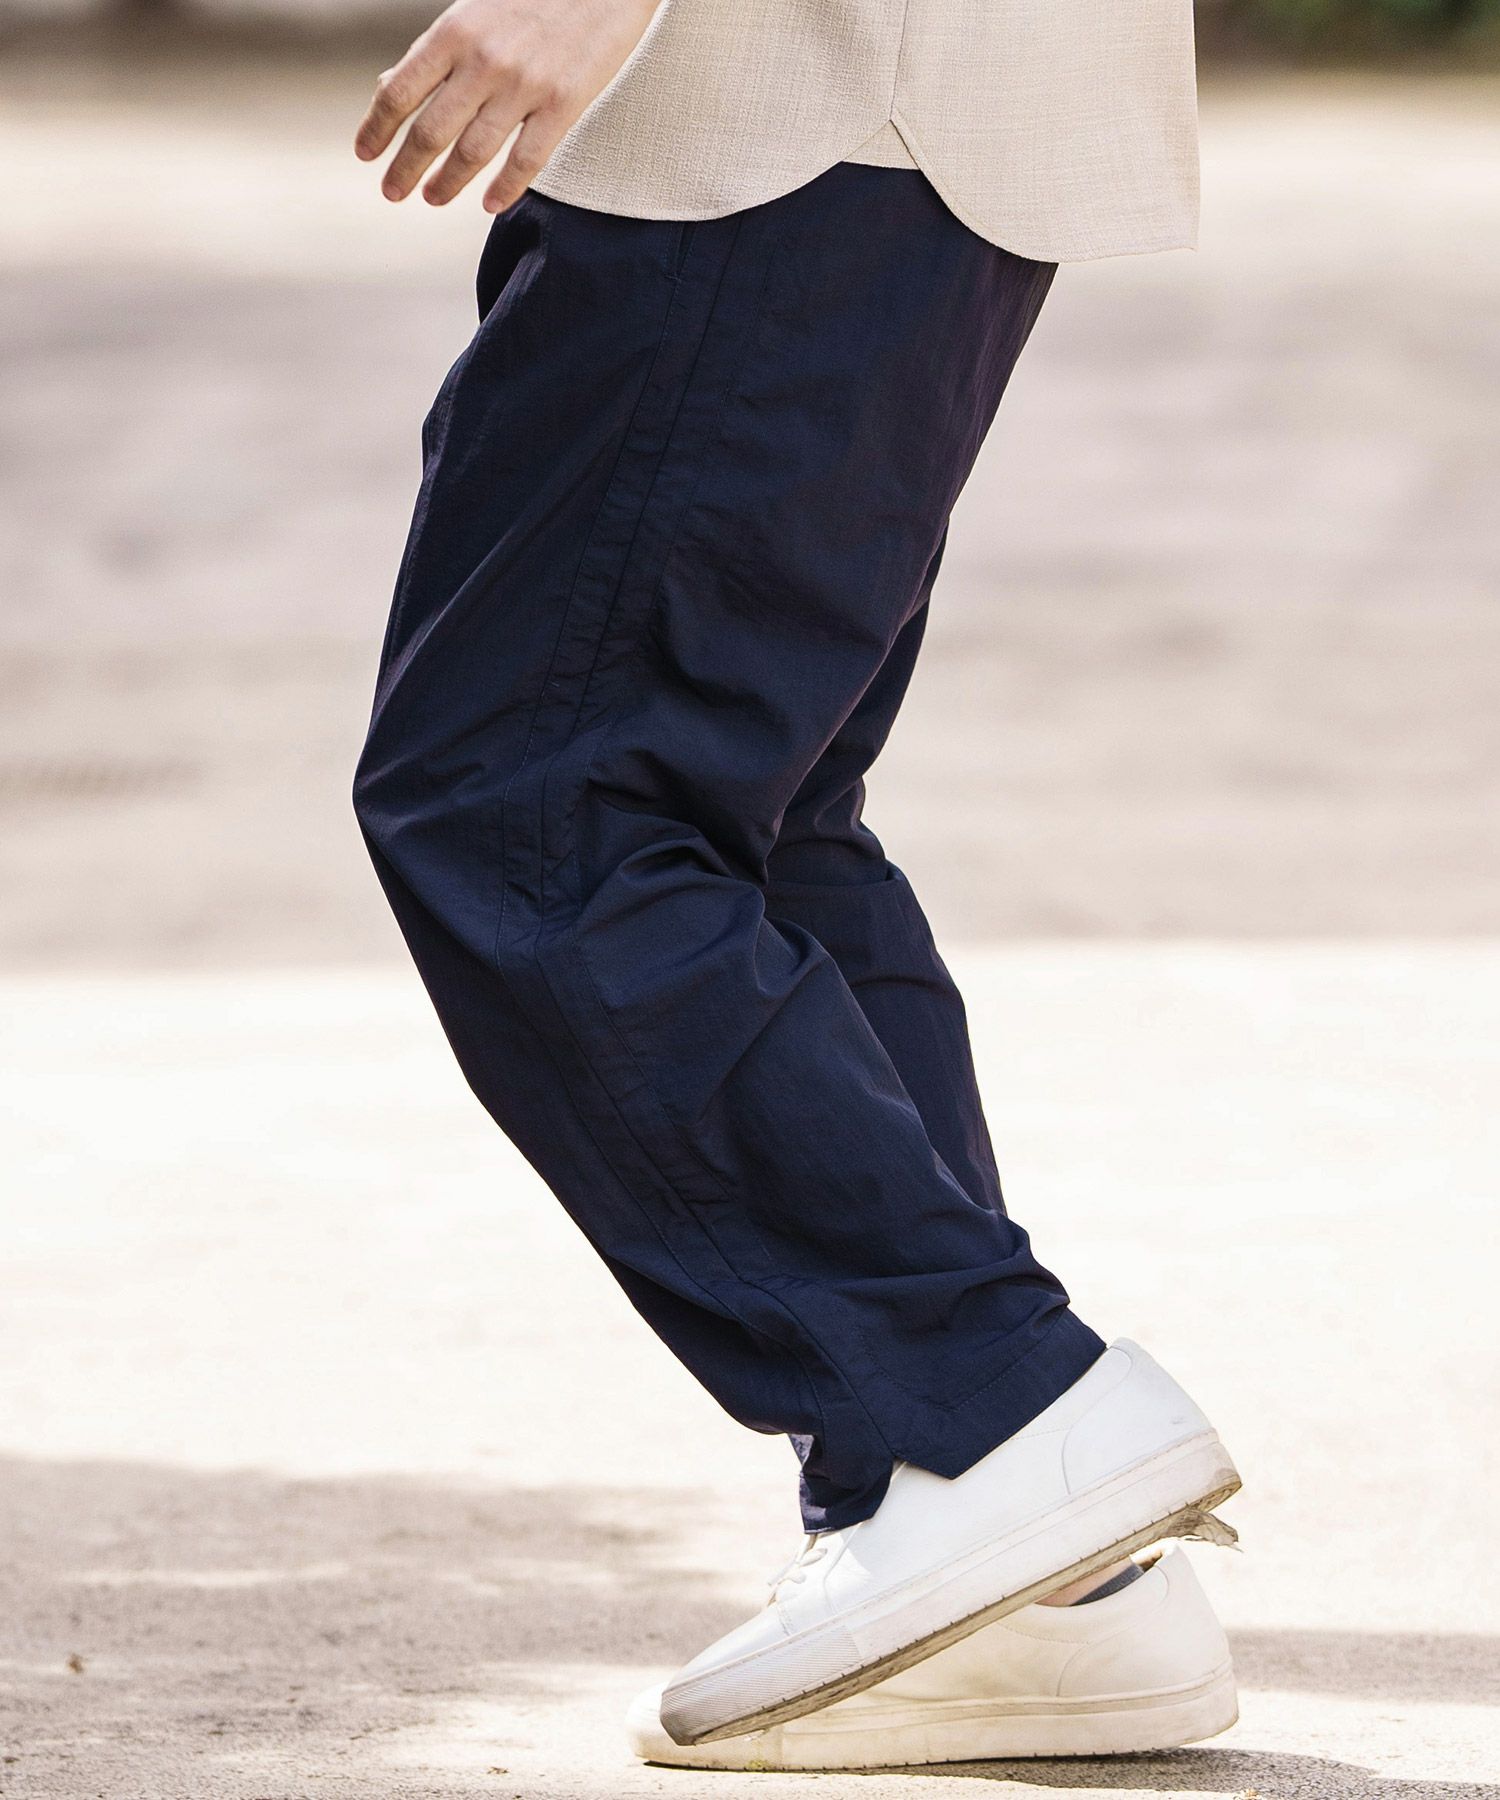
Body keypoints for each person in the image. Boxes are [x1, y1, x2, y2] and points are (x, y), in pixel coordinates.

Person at [350, 0, 1242, 1766]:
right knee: (745, 823)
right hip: (895, 111)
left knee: (539, 811)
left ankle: (991, 1411)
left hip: (798, 91)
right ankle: (1029, 1577)